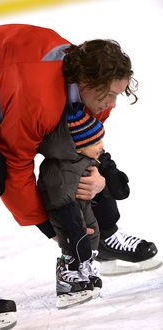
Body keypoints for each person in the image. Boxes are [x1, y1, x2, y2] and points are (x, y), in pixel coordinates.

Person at [0, 24, 158, 328]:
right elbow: (15, 169)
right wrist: (61, 233)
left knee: (75, 154)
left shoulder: (92, 87)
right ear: (86, 82)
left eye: (119, 93)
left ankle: (103, 239)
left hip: (0, 82)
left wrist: (100, 187)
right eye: (109, 95)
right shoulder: (38, 95)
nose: (112, 105)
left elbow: (84, 151)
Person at [37, 102, 131, 309]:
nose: (101, 146)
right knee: (74, 246)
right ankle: (68, 277)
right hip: (67, 217)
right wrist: (72, 225)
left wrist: (113, 180)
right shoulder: (61, 169)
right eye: (96, 142)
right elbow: (60, 198)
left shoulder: (83, 158)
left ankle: (85, 270)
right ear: (78, 146)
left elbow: (103, 167)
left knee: (91, 239)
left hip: (82, 211)